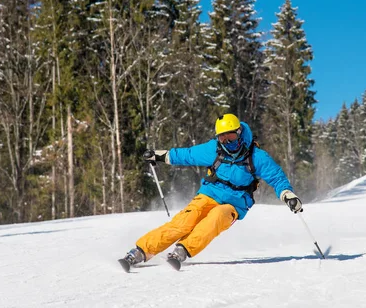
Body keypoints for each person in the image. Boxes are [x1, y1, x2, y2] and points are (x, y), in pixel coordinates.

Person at [121, 113, 303, 269]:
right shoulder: (214, 149)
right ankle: (139, 252)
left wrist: (288, 195)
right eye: (222, 138)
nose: (227, 142)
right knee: (185, 221)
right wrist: (160, 155)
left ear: (239, 133)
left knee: (216, 217)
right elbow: (187, 155)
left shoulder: (256, 156)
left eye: (230, 137)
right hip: (209, 193)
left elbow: (276, 177)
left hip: (236, 202)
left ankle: (182, 250)